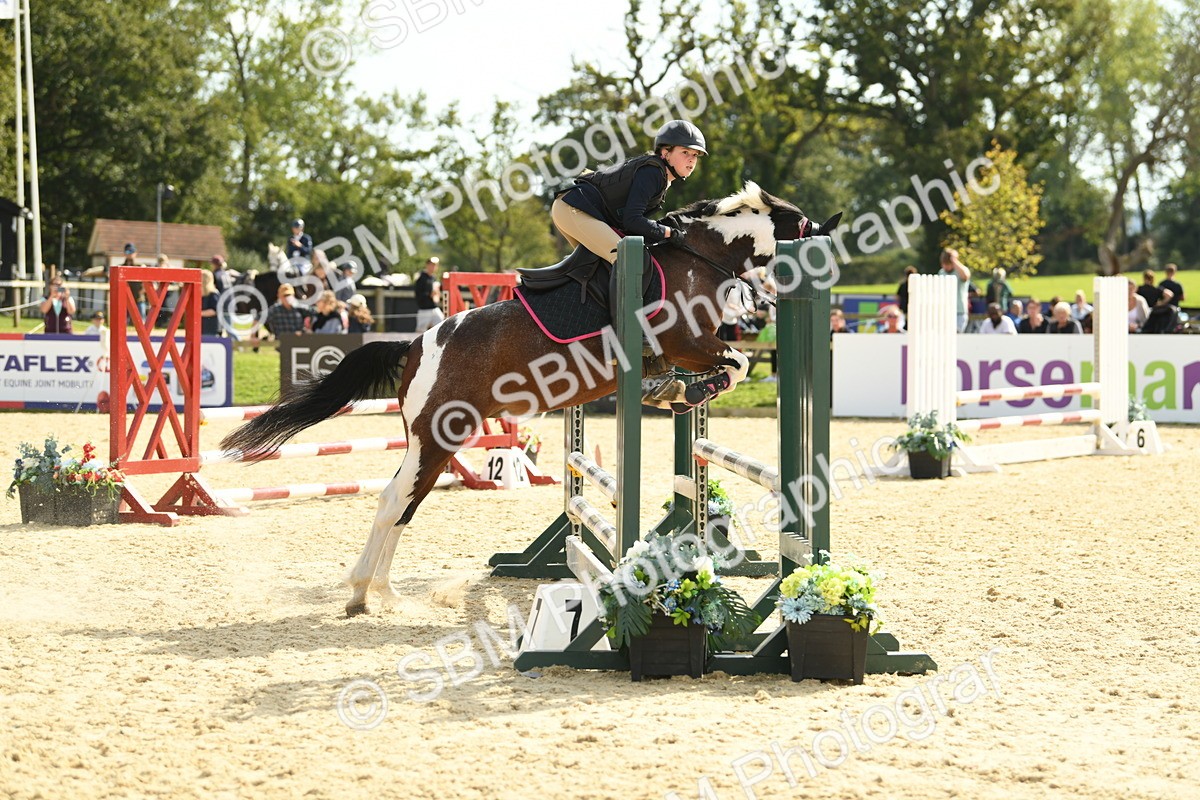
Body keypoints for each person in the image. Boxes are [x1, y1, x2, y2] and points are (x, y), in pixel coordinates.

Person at [552, 119, 706, 266]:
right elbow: (632, 220)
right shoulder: (653, 173)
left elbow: (631, 226)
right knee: (627, 259)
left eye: (695, 155)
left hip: (573, 208)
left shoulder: (661, 176)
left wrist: (664, 232)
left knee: (598, 266)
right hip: (574, 209)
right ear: (666, 152)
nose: (691, 159)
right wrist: (669, 233)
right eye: (685, 152)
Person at [940, 249, 970, 332]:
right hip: (945, 311)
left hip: (959, 311)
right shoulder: (941, 273)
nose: (945, 266)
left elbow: (965, 276)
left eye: (948, 264)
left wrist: (954, 260)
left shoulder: (960, 271)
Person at [414, 257, 445, 333]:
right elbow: (418, 294)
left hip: (434, 308)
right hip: (424, 309)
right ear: (427, 265)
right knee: (420, 332)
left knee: (442, 325)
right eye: (432, 265)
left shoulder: (433, 278)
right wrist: (429, 295)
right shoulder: (421, 278)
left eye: (435, 265)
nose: (433, 267)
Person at [200, 269, 221, 336]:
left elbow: (214, 311)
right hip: (201, 328)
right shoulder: (201, 294)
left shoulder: (213, 294)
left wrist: (198, 314)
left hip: (210, 329)